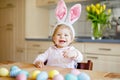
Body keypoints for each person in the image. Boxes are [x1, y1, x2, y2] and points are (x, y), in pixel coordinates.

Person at [33, 0, 83, 68]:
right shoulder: (51, 50)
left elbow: (80, 58)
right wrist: (38, 61)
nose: (62, 37)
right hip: (51, 75)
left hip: (66, 76)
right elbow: (41, 56)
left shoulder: (71, 50)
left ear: (71, 39)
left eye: (66, 35)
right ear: (53, 37)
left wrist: (74, 54)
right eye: (58, 34)